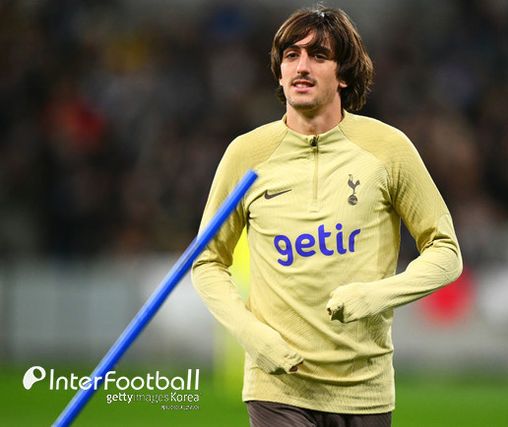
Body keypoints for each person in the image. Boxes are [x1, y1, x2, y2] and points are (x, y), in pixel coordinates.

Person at [192, 6, 462, 427]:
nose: (302, 66)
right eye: (291, 55)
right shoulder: (246, 154)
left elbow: (446, 252)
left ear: (344, 75)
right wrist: (253, 337)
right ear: (280, 72)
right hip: (277, 389)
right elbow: (207, 261)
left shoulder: (388, 149)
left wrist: (376, 295)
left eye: (318, 55)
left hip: (365, 391)